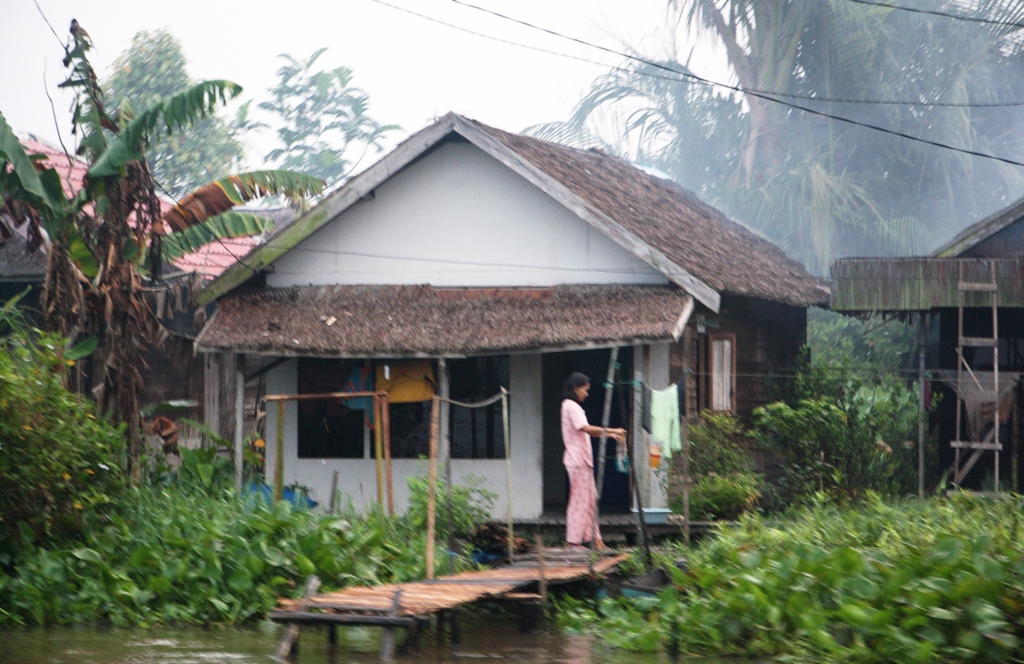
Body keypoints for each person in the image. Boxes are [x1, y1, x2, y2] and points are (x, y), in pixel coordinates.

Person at [561, 372, 626, 550]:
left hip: (582, 460)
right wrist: (613, 431)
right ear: (576, 388)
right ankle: (573, 542)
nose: (587, 394)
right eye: (585, 390)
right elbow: (587, 429)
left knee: (590, 499)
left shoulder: (571, 406)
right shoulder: (571, 406)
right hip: (577, 460)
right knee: (579, 500)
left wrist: (612, 434)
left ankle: (595, 538)